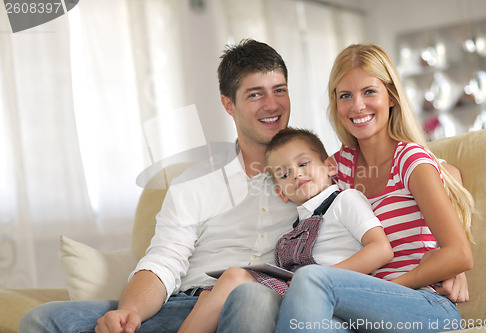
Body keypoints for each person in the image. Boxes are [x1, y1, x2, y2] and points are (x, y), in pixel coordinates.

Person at [20, 39, 297, 333]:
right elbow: (164, 261)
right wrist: (128, 313)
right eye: (256, 94)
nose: (272, 104)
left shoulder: (317, 177)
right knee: (42, 319)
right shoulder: (194, 184)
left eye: (279, 90)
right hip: (187, 306)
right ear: (228, 104)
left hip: (267, 307)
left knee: (253, 298)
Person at [275, 43, 475, 333]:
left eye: (369, 91)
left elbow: (460, 254)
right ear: (336, 104)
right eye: (346, 95)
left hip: (423, 304)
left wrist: (388, 287)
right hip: (364, 308)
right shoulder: (339, 167)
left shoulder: (410, 161)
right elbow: (296, 179)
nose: (357, 106)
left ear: (391, 96)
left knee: (311, 279)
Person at [178, 127, 393, 333]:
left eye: (303, 164)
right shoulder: (297, 226)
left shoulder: (345, 200)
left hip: (332, 294)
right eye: (284, 175)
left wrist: (319, 278)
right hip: (300, 292)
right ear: (282, 193)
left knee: (235, 276)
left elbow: (381, 249)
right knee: (215, 289)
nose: (296, 175)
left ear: (330, 166)